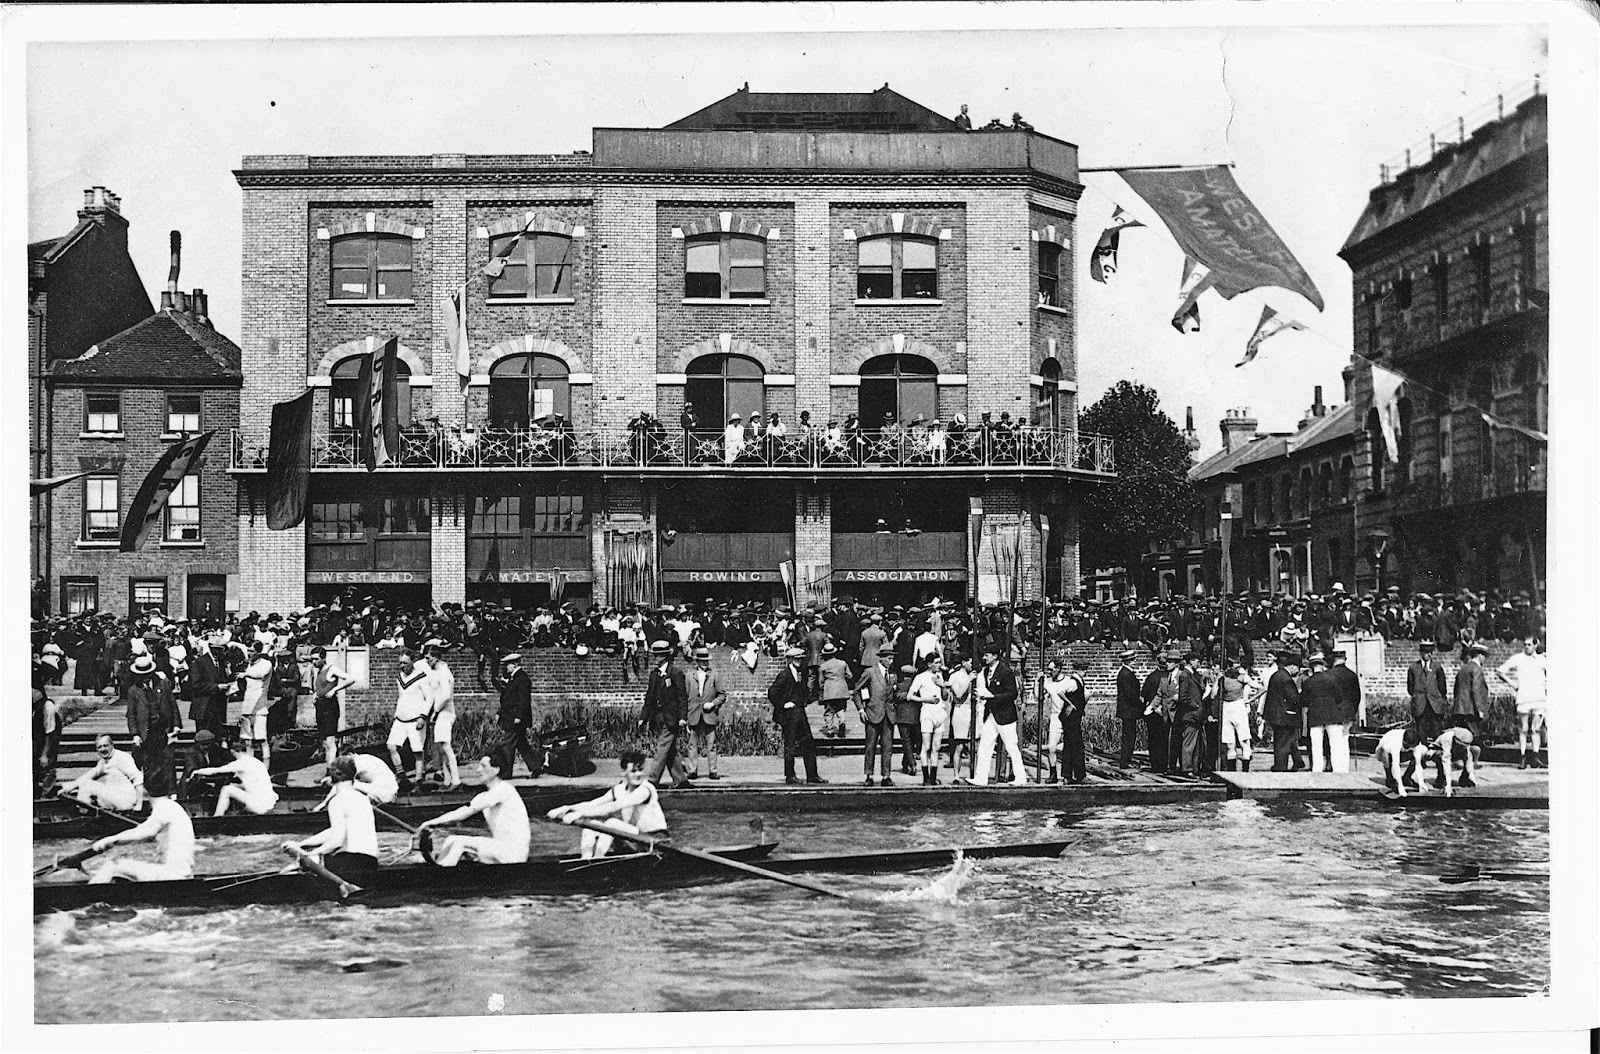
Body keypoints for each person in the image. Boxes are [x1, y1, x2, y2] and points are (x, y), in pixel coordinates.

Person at [547, 749, 670, 859]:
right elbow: (592, 804)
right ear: (624, 773)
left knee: (612, 823)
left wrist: (579, 814)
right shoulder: (618, 789)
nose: (638, 774)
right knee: (591, 824)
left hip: (656, 841)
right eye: (633, 771)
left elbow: (614, 806)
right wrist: (565, 808)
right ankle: (586, 858)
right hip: (636, 839)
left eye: (640, 770)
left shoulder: (645, 790)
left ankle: (598, 858)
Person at [418, 755, 531, 866]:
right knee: (451, 839)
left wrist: (431, 822)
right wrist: (429, 823)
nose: (478, 770)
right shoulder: (484, 796)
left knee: (459, 843)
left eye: (483, 766)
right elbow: (460, 811)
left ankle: (441, 873)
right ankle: (440, 865)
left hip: (514, 853)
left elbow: (464, 814)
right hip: (500, 848)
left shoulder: (503, 790)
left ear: (496, 770)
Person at [85, 774, 195, 884]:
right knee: (120, 871)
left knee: (113, 865)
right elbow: (145, 836)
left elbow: (142, 832)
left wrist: (109, 840)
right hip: (182, 873)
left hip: (172, 875)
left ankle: (87, 893)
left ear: (144, 791)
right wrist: (114, 842)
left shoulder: (163, 808)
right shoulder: (174, 807)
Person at [291, 756, 380, 882]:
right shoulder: (363, 798)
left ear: (332, 777)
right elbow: (334, 831)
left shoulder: (337, 801)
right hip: (371, 863)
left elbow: (337, 841)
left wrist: (310, 854)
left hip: (352, 863)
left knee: (304, 862)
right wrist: (302, 844)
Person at [960, 641, 1029, 786]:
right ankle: (981, 777)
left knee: (1011, 746)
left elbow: (1012, 694)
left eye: (987, 655)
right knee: (985, 746)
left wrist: (992, 696)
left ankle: (1021, 777)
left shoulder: (1006, 672)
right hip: (991, 714)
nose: (984, 658)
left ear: (995, 656)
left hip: (1005, 715)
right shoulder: (985, 672)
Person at [767, 646, 825, 785]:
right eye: (796, 659)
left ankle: (812, 775)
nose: (799, 661)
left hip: (800, 713)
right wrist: (783, 704)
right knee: (790, 745)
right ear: (790, 660)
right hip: (789, 715)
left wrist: (805, 699)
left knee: (808, 743)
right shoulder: (785, 675)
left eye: (800, 659)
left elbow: (803, 690)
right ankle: (790, 776)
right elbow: (772, 692)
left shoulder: (801, 673)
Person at [640, 639, 691, 789]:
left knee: (662, 748)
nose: (655, 658)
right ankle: (681, 779)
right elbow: (649, 698)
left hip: (671, 719)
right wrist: (643, 718)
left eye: (658, 655)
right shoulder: (654, 675)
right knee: (670, 750)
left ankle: (652, 780)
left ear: (664, 656)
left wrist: (682, 718)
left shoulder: (675, 673)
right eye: (655, 655)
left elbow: (682, 697)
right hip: (657, 718)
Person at [1495, 637, 1547, 768]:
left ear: (1535, 645)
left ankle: (1535, 757)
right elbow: (1500, 671)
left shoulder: (1542, 660)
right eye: (1525, 644)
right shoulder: (1518, 658)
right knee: (1523, 728)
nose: (1526, 647)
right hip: (1524, 698)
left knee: (1536, 729)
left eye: (1529, 645)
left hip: (1539, 699)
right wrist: (1512, 683)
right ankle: (1522, 757)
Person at [193, 740, 280, 817]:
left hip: (259, 806)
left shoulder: (240, 763)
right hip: (270, 804)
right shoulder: (256, 762)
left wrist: (196, 772)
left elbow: (215, 770)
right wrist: (237, 786)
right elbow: (254, 784)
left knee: (226, 789)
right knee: (234, 786)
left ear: (232, 752)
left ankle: (217, 816)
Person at [63, 734, 144, 811]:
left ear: (112, 745)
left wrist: (139, 805)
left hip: (125, 799)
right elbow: (90, 774)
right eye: (100, 747)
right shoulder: (103, 761)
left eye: (105, 746)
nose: (103, 749)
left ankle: (82, 814)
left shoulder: (122, 757)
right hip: (114, 796)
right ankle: (84, 813)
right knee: (83, 785)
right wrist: (67, 787)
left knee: (86, 785)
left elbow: (138, 777)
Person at [495, 653, 542, 780]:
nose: (506, 668)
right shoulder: (515, 678)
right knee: (521, 744)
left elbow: (523, 700)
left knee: (507, 743)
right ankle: (536, 765)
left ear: (515, 664)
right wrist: (500, 713)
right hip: (512, 716)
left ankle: (505, 772)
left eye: (508, 665)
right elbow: (508, 699)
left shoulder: (522, 678)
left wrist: (519, 716)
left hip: (515, 718)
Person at [854, 652, 896, 786]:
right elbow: (856, 691)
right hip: (873, 714)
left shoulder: (892, 674)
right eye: (889, 659)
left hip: (888, 715)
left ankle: (886, 776)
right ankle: (869, 775)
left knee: (887, 747)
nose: (891, 661)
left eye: (892, 659)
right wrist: (861, 709)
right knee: (870, 746)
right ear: (882, 658)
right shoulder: (870, 672)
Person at [310, 647, 356, 767]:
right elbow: (319, 687)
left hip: (330, 707)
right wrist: (315, 694)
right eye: (312, 659)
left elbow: (351, 679)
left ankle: (331, 771)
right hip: (320, 706)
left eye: (316, 659)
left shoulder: (332, 669)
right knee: (325, 741)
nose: (314, 662)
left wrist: (335, 689)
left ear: (323, 658)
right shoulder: (317, 671)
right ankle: (329, 769)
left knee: (330, 741)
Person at [684, 645, 725, 780]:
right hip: (693, 713)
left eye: (706, 660)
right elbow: (685, 697)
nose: (704, 663)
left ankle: (713, 771)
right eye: (702, 660)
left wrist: (712, 704)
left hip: (709, 714)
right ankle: (692, 770)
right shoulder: (689, 675)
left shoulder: (714, 675)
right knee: (692, 744)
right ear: (697, 661)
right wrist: (685, 717)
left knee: (711, 744)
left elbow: (722, 695)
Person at [424, 640, 460, 788]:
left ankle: (456, 780)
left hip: (445, 713)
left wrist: (435, 711)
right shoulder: (436, 672)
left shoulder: (444, 672)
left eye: (428, 658)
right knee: (441, 748)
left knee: (446, 746)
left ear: (436, 657)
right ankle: (447, 780)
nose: (427, 661)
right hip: (440, 713)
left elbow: (445, 695)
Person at [1265, 652, 1306, 772]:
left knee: (1285, 740)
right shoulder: (1286, 679)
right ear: (1292, 666)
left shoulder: (1277, 675)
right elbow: (1293, 699)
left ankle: (1297, 760)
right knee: (1283, 743)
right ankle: (1281, 768)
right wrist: (1302, 697)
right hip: (1285, 716)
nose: (1298, 671)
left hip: (1275, 714)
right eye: (1298, 668)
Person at [1217, 660, 1260, 772]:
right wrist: (1218, 679)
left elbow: (1262, 688)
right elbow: (1214, 694)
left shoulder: (1242, 677)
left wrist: (1250, 700)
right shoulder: (1223, 678)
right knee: (1229, 743)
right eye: (1234, 667)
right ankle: (1232, 771)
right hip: (1226, 707)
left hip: (1238, 707)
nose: (1236, 670)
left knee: (1244, 740)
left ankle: (1245, 769)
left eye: (1238, 667)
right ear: (1228, 667)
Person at [1301, 653, 1342, 772]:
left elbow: (1304, 701)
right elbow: (1339, 697)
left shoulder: (1307, 682)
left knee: (1316, 745)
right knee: (1335, 744)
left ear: (1312, 667)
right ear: (1322, 665)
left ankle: (1317, 769)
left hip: (1315, 716)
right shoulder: (1332, 679)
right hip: (1332, 715)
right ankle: (1337, 769)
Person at [912, 655, 949, 785]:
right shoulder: (920, 677)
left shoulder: (940, 676)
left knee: (936, 747)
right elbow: (910, 696)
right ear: (929, 664)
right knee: (926, 746)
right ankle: (925, 778)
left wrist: (942, 685)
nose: (939, 665)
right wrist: (926, 699)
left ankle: (933, 778)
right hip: (927, 712)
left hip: (939, 712)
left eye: (939, 663)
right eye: (936, 663)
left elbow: (945, 697)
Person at [1407, 640, 1450, 743]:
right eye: (1426, 652)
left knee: (1437, 731)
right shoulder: (1413, 668)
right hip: (1420, 705)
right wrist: (1418, 696)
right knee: (1421, 732)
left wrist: (1439, 699)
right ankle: (1422, 751)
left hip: (1434, 705)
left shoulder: (1437, 667)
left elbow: (1442, 687)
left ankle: (1437, 751)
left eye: (1431, 652)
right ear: (1421, 653)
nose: (1429, 654)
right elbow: (1410, 688)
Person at [239, 643, 275, 766]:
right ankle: (251, 768)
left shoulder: (266, 664)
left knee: (262, 739)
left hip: (260, 707)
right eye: (248, 650)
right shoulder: (249, 664)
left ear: (259, 652)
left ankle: (265, 769)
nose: (249, 653)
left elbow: (261, 674)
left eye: (252, 651)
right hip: (247, 706)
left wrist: (246, 674)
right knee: (247, 741)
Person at [1140, 652, 1173, 773]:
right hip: (1163, 712)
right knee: (1163, 739)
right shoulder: (1168, 677)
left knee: (1154, 739)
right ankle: (1163, 765)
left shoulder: (1151, 677)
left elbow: (1144, 694)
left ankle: (1155, 764)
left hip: (1152, 712)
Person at [1451, 641, 1491, 737]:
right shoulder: (1477, 669)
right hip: (1471, 711)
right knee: (1474, 737)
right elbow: (1476, 691)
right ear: (1479, 655)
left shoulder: (1463, 668)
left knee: (1461, 739)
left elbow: (1456, 689)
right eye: (1484, 656)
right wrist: (1480, 710)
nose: (1484, 659)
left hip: (1459, 710)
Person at [1374, 726, 1427, 797]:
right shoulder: (1395, 742)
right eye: (1409, 746)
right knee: (1385, 754)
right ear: (1404, 742)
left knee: (1422, 753)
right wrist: (1400, 786)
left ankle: (1406, 777)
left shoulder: (1416, 742)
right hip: (1383, 753)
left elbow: (1418, 764)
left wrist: (1421, 783)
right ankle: (1389, 778)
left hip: (1402, 753)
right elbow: (1396, 765)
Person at [945, 655, 975, 776]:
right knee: (959, 745)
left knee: (975, 745)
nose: (972, 665)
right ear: (963, 663)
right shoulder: (955, 676)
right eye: (970, 662)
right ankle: (956, 775)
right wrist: (969, 680)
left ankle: (974, 774)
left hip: (973, 710)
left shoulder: (974, 675)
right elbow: (958, 694)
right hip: (961, 710)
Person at [1429, 725, 1479, 796]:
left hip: (1454, 752)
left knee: (1474, 750)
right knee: (1439, 754)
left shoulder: (1466, 739)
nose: (1463, 747)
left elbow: (1469, 759)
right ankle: (1441, 778)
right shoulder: (1447, 737)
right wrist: (1448, 785)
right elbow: (1446, 760)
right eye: (1461, 745)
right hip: (1439, 750)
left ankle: (1465, 779)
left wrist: (1473, 778)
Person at [816, 642, 853, 739]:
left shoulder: (823, 666)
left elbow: (821, 682)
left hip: (829, 691)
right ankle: (842, 723)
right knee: (841, 709)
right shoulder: (842, 663)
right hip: (841, 690)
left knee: (829, 711)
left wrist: (821, 692)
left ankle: (830, 730)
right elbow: (849, 676)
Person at [1114, 649, 1142, 768]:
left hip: (1128, 710)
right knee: (1129, 736)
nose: (1134, 662)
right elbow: (1130, 694)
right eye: (1133, 660)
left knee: (1129, 735)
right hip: (1128, 710)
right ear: (1128, 661)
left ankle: (1126, 760)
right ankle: (1125, 762)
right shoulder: (1126, 674)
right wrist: (1141, 703)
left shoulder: (1126, 673)